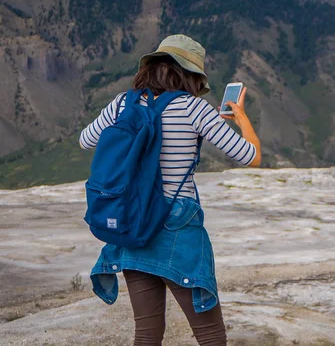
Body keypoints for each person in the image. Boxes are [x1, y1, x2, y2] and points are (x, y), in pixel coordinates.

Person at [79, 34, 261, 345]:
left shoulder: (122, 103)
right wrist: (241, 117)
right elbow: (251, 157)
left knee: (147, 334)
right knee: (210, 334)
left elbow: (86, 140)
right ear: (191, 75)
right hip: (176, 227)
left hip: (131, 225)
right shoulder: (194, 109)